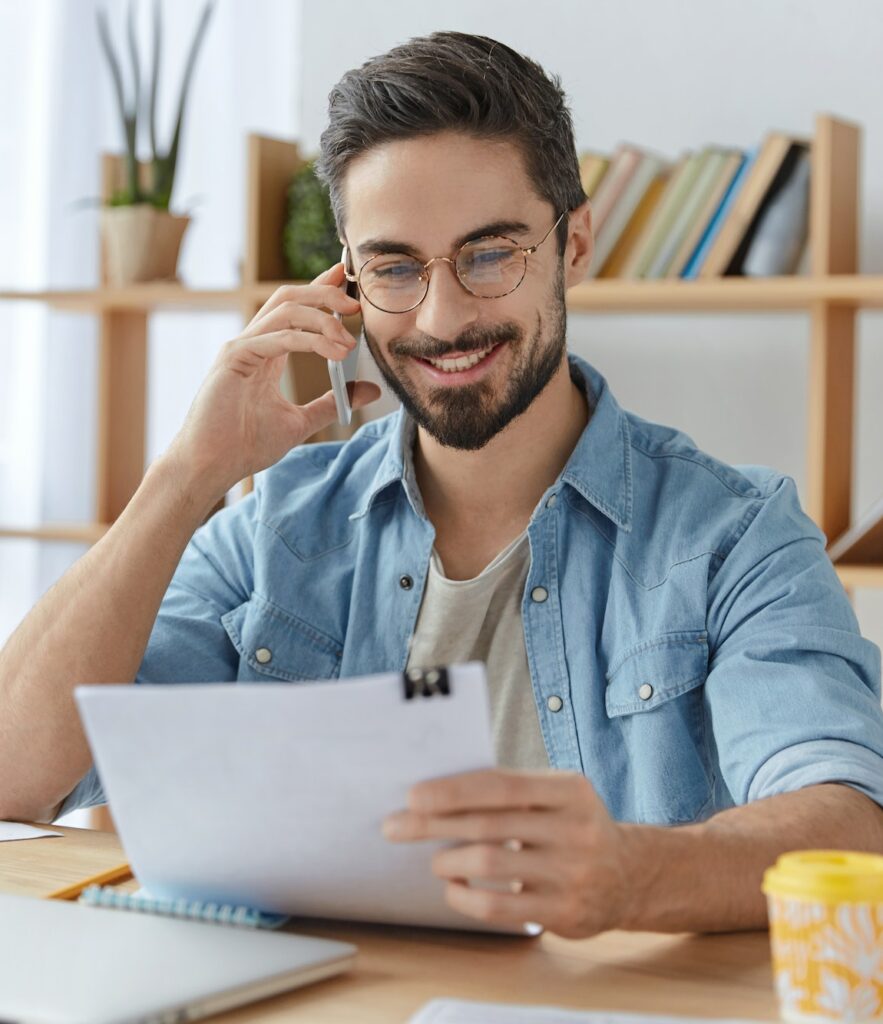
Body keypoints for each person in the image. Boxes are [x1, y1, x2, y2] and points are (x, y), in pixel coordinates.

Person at [1, 31, 882, 939]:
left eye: (489, 254)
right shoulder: (275, 526)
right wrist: (184, 478)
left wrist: (632, 875)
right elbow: (15, 777)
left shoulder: (736, 535)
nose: (442, 316)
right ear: (346, 279)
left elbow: (848, 824)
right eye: (394, 267)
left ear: (573, 241)